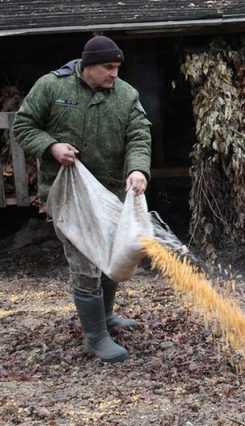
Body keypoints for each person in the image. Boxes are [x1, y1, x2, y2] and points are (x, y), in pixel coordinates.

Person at [13, 35, 152, 363]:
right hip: (69, 195)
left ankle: (104, 318)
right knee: (85, 265)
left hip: (110, 195)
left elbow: (139, 135)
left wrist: (137, 170)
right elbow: (24, 125)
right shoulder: (52, 87)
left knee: (111, 257)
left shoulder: (126, 95)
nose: (114, 73)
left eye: (117, 67)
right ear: (87, 65)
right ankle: (95, 337)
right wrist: (51, 146)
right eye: (108, 67)